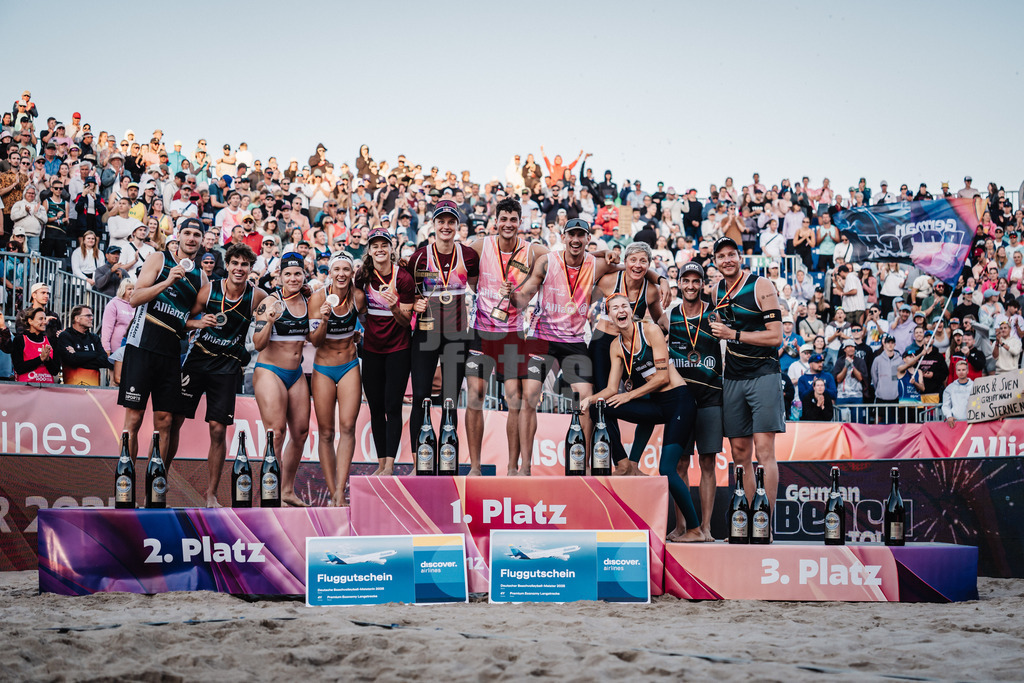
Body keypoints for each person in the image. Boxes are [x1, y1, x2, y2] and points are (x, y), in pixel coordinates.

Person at [512, 219, 631, 474]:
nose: (576, 239)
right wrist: (513, 294)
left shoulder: (595, 264)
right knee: (529, 397)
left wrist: (659, 278)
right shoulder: (548, 261)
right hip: (541, 336)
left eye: (581, 235)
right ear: (563, 237)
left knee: (585, 402)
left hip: (574, 340)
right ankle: (525, 467)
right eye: (571, 235)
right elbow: (525, 296)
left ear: (588, 239)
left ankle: (583, 467)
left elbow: (630, 268)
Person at [581, 295, 699, 538]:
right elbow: (612, 390)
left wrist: (630, 395)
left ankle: (695, 528)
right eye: (614, 308)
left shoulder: (650, 330)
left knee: (667, 467)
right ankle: (625, 464)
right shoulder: (615, 346)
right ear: (610, 317)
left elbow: (663, 377)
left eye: (624, 306)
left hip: (679, 401)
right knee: (600, 408)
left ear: (631, 310)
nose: (620, 310)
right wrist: (590, 398)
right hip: (656, 404)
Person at [173, 243, 267, 507]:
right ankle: (161, 482)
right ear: (228, 265)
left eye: (244, 264)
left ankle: (211, 495)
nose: (239, 268)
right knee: (174, 420)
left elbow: (278, 305)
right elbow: (183, 319)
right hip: (198, 360)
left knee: (217, 430)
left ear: (250, 268)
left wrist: (303, 289)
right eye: (235, 263)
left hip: (227, 367)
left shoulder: (257, 295)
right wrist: (198, 322)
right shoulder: (211, 288)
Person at [465, 197, 549, 475]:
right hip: (482, 332)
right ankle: (475, 467)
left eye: (514, 219)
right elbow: (450, 257)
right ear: (496, 221)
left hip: (513, 334)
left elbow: (566, 257)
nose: (508, 224)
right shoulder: (481, 245)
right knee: (476, 396)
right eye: (504, 219)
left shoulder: (533, 250)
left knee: (514, 399)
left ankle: (514, 468)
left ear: (520, 222)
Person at [710, 237, 785, 528]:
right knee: (739, 453)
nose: (727, 260)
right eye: (721, 256)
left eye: (732, 254)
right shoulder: (717, 289)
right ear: (715, 261)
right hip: (733, 377)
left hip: (764, 373)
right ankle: (747, 522)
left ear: (740, 257)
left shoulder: (761, 285)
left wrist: (735, 336)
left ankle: (764, 523)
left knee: (764, 450)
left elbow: (776, 336)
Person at [119, 218, 206, 462]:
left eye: (196, 235)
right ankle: (125, 484)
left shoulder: (201, 277)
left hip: (170, 353)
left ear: (202, 240)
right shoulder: (159, 258)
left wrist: (198, 323)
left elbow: (183, 319)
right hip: (141, 346)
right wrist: (168, 281)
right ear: (178, 235)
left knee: (165, 421)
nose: (191, 238)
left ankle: (154, 485)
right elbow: (135, 298)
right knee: (134, 418)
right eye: (187, 233)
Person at [404, 199, 480, 470]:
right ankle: (417, 464)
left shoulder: (469, 255)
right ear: (433, 225)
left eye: (451, 222)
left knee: (450, 398)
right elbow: (407, 293)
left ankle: (447, 462)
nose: (446, 226)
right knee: (421, 397)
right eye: (441, 222)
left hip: (457, 335)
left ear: (458, 226)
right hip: (425, 334)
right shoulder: (419, 256)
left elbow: (477, 288)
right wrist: (415, 302)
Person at [590, 241, 667, 470]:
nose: (637, 265)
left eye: (643, 261)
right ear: (625, 261)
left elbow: (660, 319)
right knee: (604, 401)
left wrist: (677, 330)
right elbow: (585, 262)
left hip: (633, 346)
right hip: (604, 343)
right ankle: (620, 462)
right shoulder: (609, 280)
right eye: (633, 260)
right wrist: (604, 253)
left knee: (650, 400)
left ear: (649, 264)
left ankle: (633, 463)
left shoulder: (651, 291)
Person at [666, 262, 722, 542]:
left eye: (695, 281)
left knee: (708, 463)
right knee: (679, 465)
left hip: (711, 396)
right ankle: (683, 526)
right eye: (685, 280)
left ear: (702, 284)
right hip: (680, 400)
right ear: (678, 283)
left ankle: (707, 528)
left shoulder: (714, 315)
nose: (690, 285)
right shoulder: (670, 315)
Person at [252, 252, 311, 506]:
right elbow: (257, 344)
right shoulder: (269, 302)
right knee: (275, 433)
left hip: (295, 373)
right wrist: (268, 322)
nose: (293, 278)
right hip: (269, 371)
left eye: (298, 273)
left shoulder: (310, 300)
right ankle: (269, 493)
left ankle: (286, 490)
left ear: (304, 275)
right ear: (280, 277)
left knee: (300, 432)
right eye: (288, 274)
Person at [356, 228, 414, 475]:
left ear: (391, 248)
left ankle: (390, 464)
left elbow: (406, 322)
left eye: (384, 245)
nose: (379, 249)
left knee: (393, 406)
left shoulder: (403, 279)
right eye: (375, 245)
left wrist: (394, 308)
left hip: (398, 349)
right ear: (369, 250)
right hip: (371, 349)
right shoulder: (363, 276)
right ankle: (381, 464)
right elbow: (358, 308)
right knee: (376, 407)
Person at [308, 254, 365, 506]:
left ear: (352, 273)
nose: (341, 274)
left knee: (348, 427)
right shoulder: (318, 298)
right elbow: (315, 341)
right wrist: (323, 320)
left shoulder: (358, 297)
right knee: (326, 433)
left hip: (349, 365)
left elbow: (364, 325)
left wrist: (359, 336)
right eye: (337, 269)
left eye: (346, 269)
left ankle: (341, 490)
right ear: (329, 273)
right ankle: (333, 493)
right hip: (323, 367)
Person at [55, 305, 111, 386]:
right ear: (77, 318)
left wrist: (78, 356)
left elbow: (105, 361)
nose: (92, 318)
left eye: (92, 315)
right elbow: (70, 360)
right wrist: (95, 354)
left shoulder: (94, 337)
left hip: (93, 390)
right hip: (73, 389)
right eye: (88, 316)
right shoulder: (65, 335)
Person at [11, 307, 59, 383]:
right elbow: (19, 368)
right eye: (41, 319)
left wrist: (47, 360)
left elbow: (55, 371)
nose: (45, 322)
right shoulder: (20, 340)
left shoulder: (51, 341)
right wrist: (40, 359)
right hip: (25, 389)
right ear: (30, 321)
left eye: (45, 318)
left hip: (47, 389)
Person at [942, 360, 974, 427]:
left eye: (963, 370)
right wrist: (949, 416)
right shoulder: (949, 388)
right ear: (956, 372)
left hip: (972, 423)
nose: (961, 372)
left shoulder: (974, 386)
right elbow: (945, 405)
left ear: (967, 371)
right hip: (955, 423)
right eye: (959, 370)